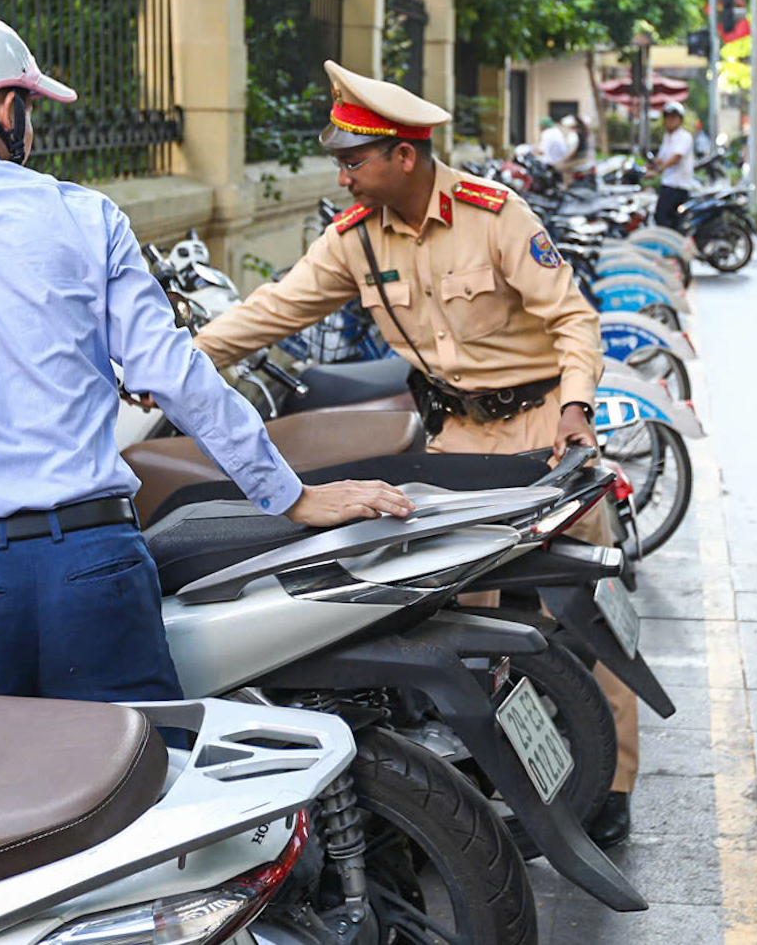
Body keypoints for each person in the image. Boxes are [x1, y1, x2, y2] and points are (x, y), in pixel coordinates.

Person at [0, 13, 411, 704]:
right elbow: (175, 376)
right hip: (94, 568)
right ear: (1, 107)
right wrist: (290, 495)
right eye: (27, 105)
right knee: (143, 800)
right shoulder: (86, 215)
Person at [189, 60, 641, 847]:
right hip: (456, 441)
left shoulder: (492, 214)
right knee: (461, 620)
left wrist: (576, 406)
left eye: (353, 159)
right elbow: (270, 311)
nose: (342, 173)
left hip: (544, 431)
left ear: (404, 154)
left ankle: (612, 782)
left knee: (583, 613)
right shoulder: (353, 241)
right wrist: (172, 366)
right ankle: (492, 774)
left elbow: (570, 317)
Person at [651, 101, 695, 227]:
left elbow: (676, 157)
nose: (670, 120)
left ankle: (672, 244)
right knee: (663, 219)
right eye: (668, 117)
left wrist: (657, 170)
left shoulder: (684, 137)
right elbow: (661, 158)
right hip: (668, 184)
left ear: (680, 120)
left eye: (674, 118)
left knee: (662, 218)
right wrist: (647, 167)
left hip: (678, 187)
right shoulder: (667, 137)